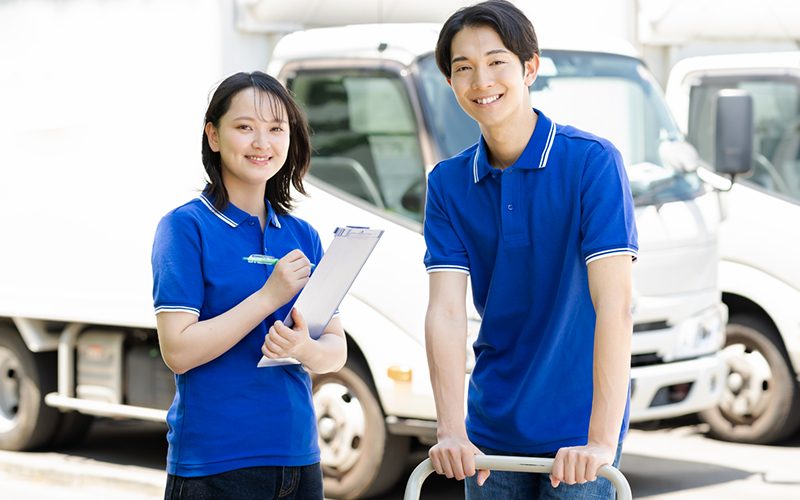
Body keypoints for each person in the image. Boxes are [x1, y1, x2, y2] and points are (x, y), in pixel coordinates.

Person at [423, 1, 638, 499]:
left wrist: (602, 441)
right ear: (451, 83)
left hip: (578, 438)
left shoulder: (592, 163)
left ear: (530, 67)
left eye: (497, 62)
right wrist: (451, 429)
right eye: (463, 68)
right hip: (490, 434)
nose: (482, 80)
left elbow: (616, 306)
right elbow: (447, 310)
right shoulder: (449, 183)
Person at [151, 71, 347, 500]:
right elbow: (178, 351)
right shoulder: (185, 228)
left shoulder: (302, 234)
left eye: (276, 129)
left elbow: (335, 349)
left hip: (298, 459)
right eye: (245, 128)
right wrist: (267, 298)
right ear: (214, 136)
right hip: (215, 465)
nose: (263, 143)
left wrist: (304, 349)